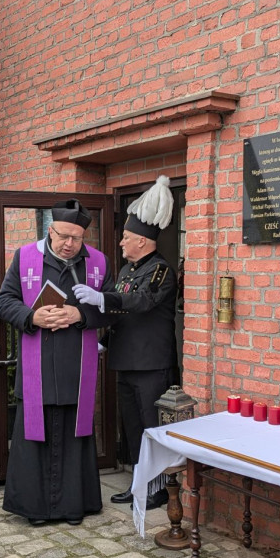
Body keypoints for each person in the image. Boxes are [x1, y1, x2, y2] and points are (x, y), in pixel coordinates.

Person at [0, 199, 113, 526]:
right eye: (63, 236)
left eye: (76, 238)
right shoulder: (25, 257)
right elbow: (3, 302)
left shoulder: (99, 263)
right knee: (36, 438)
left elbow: (114, 308)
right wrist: (32, 316)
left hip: (76, 367)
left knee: (74, 439)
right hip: (39, 367)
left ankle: (74, 507)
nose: (69, 244)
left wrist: (81, 314)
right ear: (50, 229)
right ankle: (36, 509)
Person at [74, 176, 178, 511]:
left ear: (144, 242)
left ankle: (158, 488)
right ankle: (138, 484)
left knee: (151, 427)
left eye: (126, 238)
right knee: (132, 427)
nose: (120, 243)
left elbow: (141, 303)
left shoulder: (160, 271)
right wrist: (104, 340)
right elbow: (122, 314)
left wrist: (102, 298)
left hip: (150, 365)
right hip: (124, 361)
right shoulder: (127, 270)